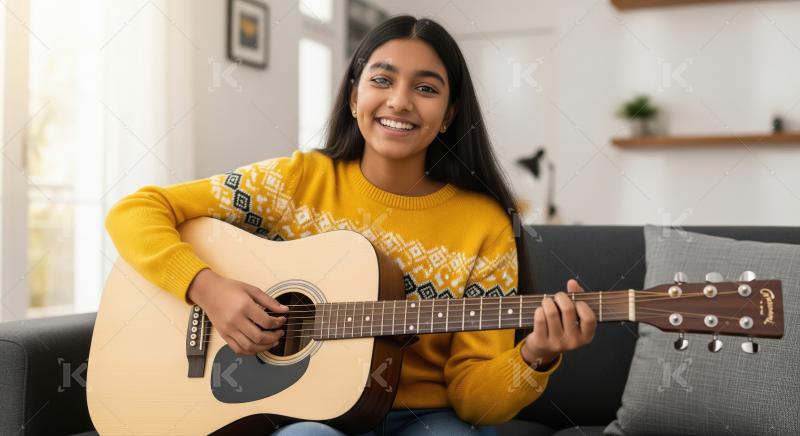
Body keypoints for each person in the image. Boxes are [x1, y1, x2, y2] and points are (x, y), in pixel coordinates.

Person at [104, 15, 597, 436]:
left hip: (426, 417)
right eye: (382, 80)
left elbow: (473, 401)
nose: (400, 102)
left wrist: (533, 355)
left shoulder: (484, 224)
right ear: (354, 93)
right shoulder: (296, 180)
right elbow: (135, 210)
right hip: (305, 412)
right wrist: (206, 288)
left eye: (426, 88)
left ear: (448, 115)